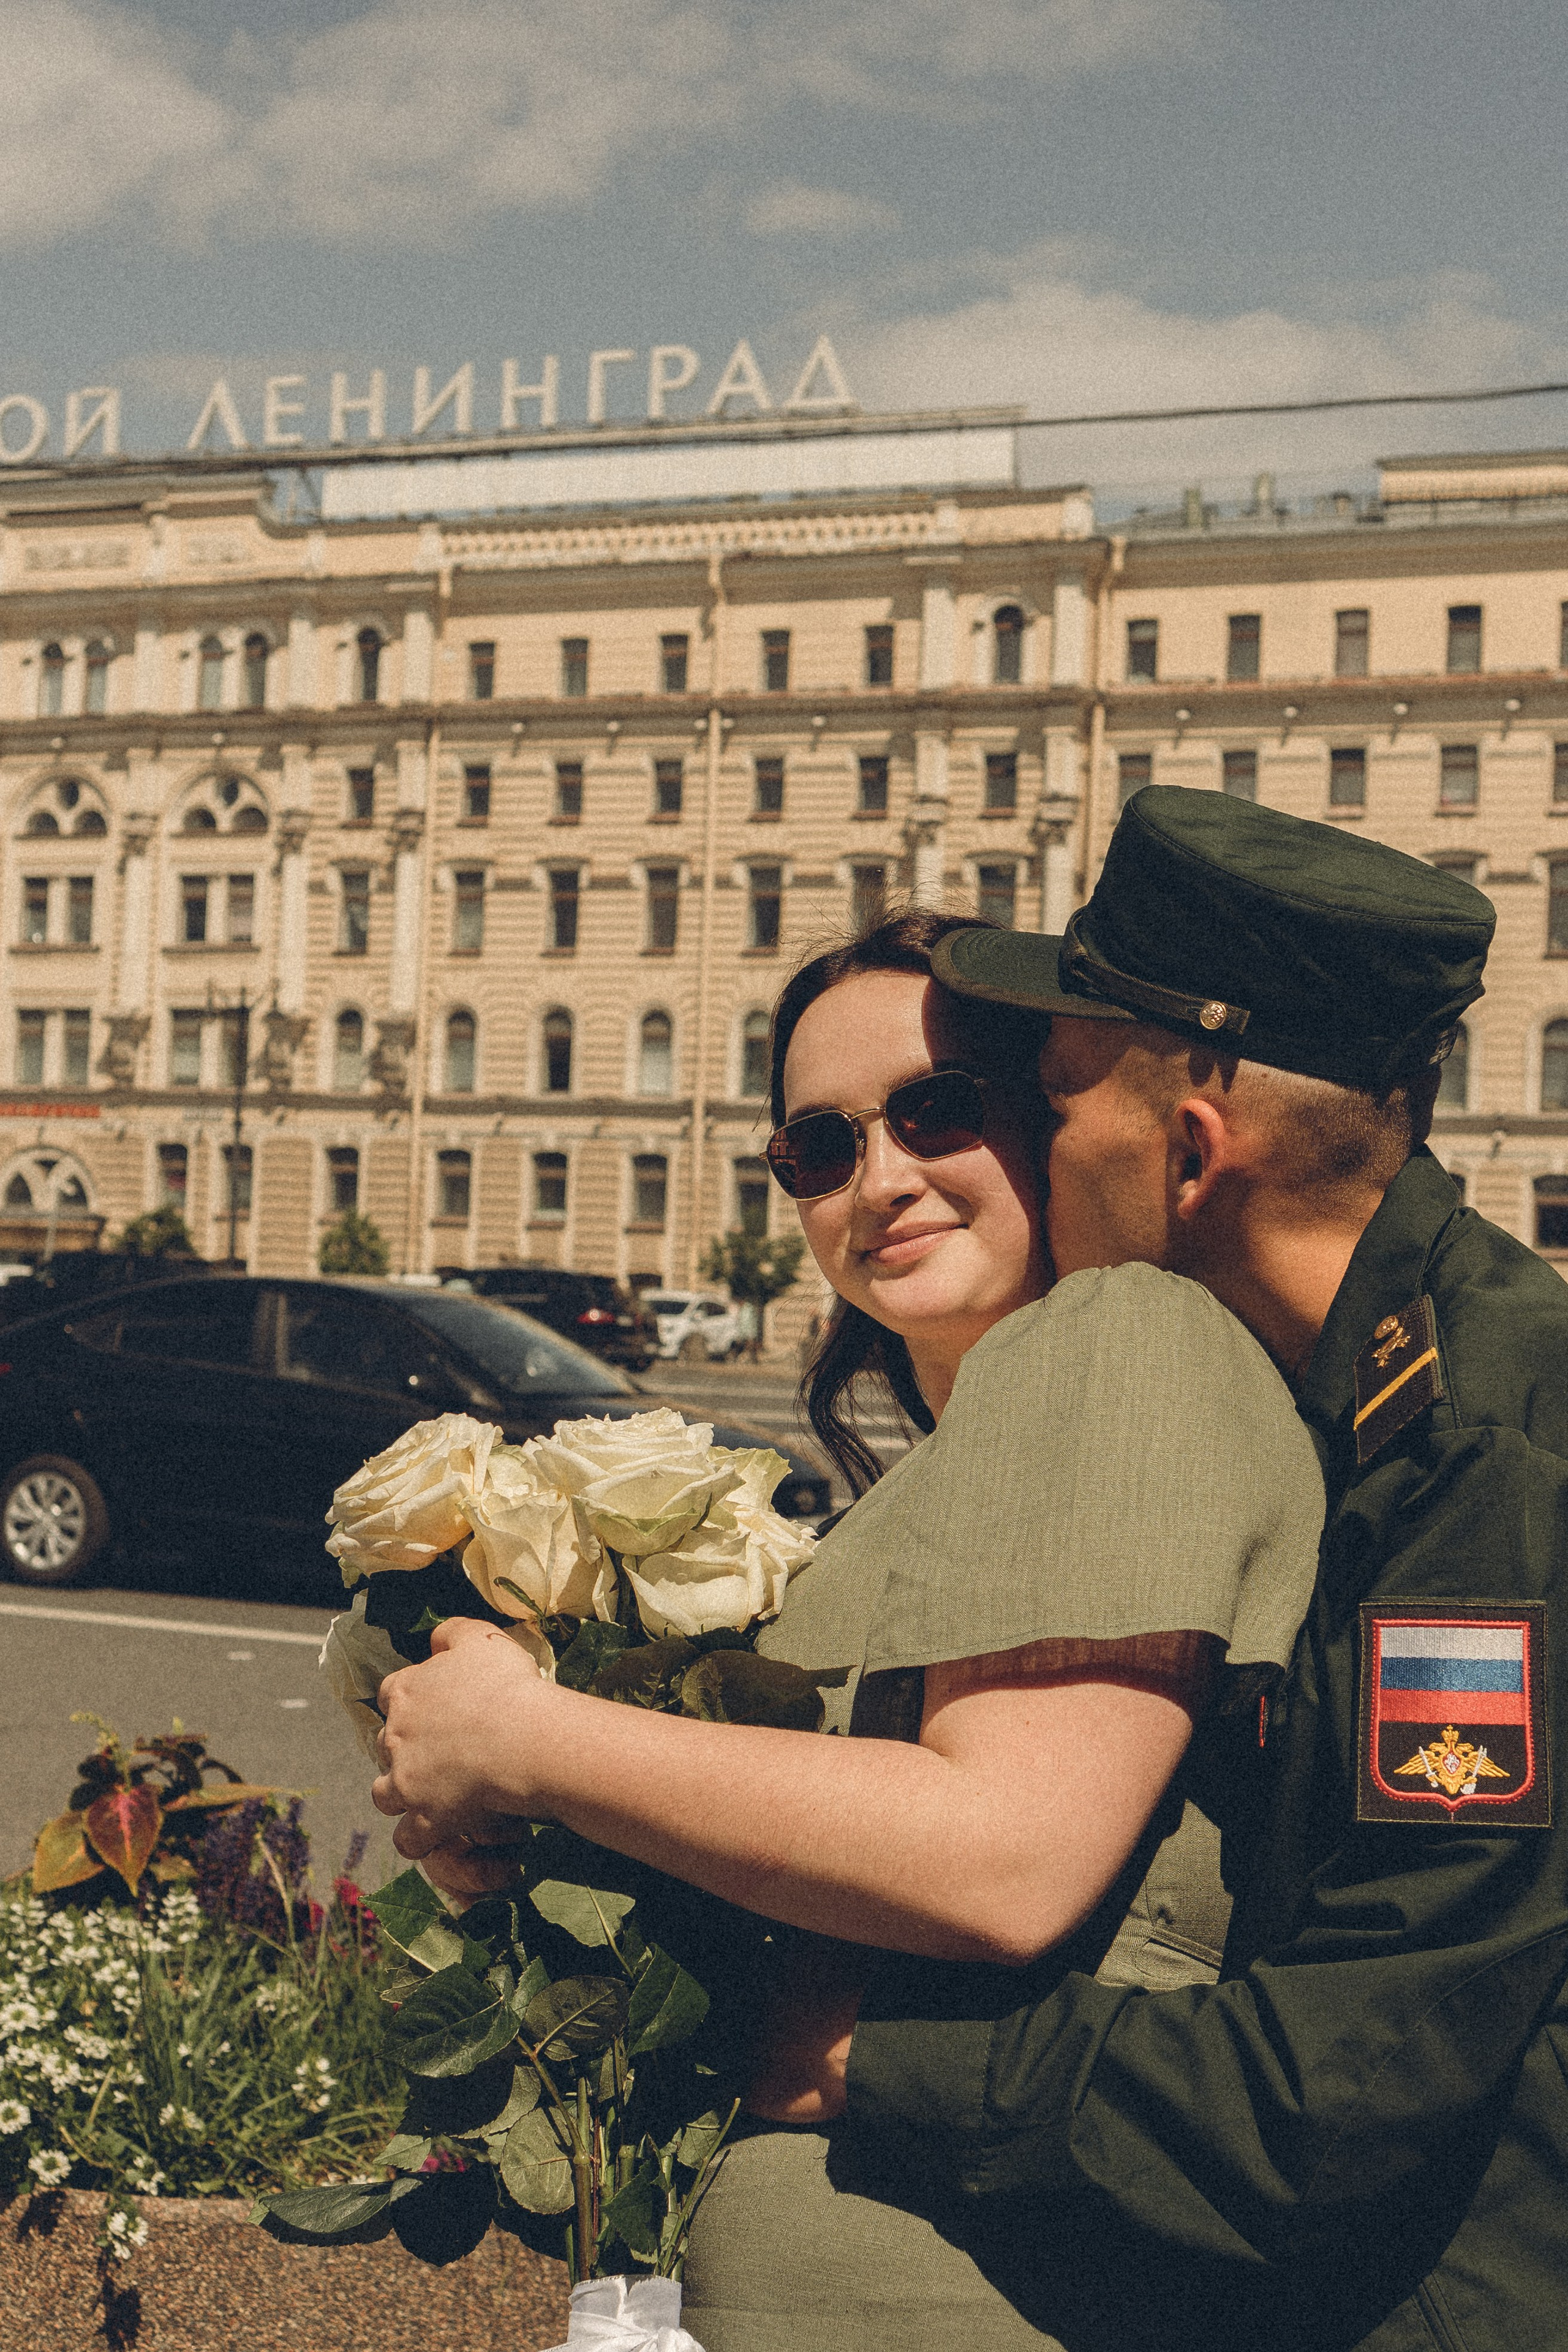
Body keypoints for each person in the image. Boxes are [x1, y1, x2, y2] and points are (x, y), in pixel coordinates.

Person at [371, 908, 1324, 2349]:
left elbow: (1004, 1858)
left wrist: (531, 1740)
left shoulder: (1117, 1334)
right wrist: (522, 1839)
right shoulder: (968, 1454)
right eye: (818, 1147)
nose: (879, 1180)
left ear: (1049, 1119)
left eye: (937, 1111)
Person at [784, 785, 1568, 2352]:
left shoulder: (1483, 1459)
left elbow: (1339, 2088)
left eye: (1054, 1099)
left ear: (1189, 1150)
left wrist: (861, 2057)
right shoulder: (1351, 1389)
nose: (1036, 1142)